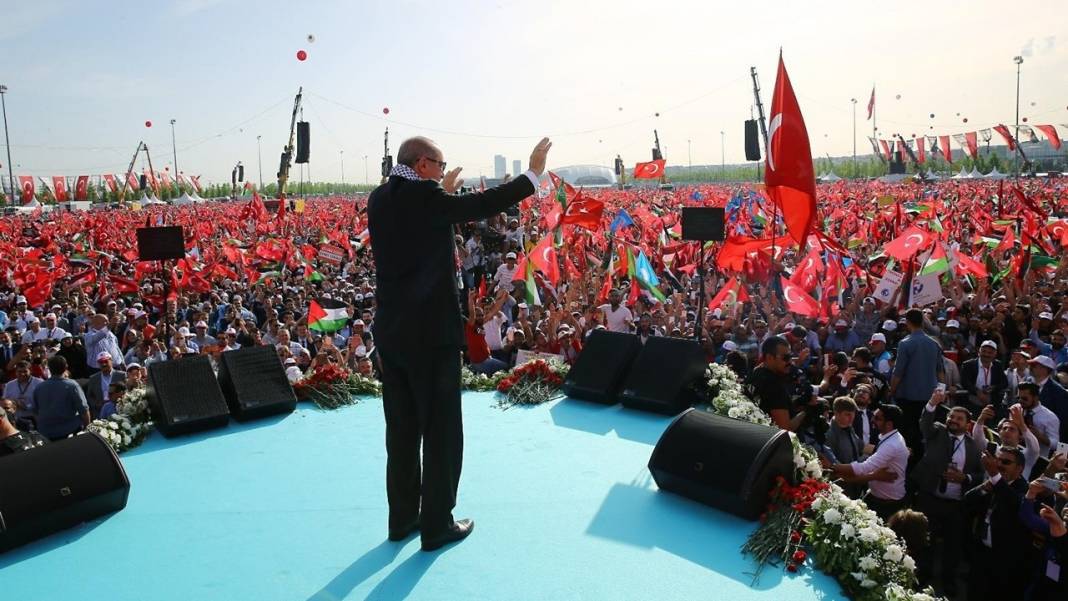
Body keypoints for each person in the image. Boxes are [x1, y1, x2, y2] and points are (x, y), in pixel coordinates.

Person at [367, 135, 551, 552]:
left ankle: (402, 520)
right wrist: (532, 174)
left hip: (391, 334)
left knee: (401, 431)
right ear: (423, 164)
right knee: (441, 430)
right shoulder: (427, 197)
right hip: (430, 336)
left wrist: (442, 193)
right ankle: (436, 524)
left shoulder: (379, 198)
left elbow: (417, 219)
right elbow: (481, 205)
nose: (443, 169)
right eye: (440, 163)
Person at [912, 388, 983, 596]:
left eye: (959, 418)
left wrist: (966, 479)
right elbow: (924, 423)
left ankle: (948, 583)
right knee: (926, 542)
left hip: (955, 504)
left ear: (967, 424)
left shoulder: (973, 447)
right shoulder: (937, 431)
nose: (953, 420)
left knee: (952, 547)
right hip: (930, 497)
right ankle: (922, 576)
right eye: (951, 416)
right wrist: (932, 403)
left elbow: (980, 475)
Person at [964, 446, 1035, 600]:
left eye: (1006, 462)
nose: (1000, 465)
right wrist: (984, 487)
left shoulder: (1025, 490)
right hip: (981, 553)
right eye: (997, 460)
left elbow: (1015, 503)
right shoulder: (994, 484)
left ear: (1020, 469)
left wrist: (995, 476)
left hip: (1005, 562)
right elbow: (966, 501)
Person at [829, 404, 909, 519]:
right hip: (876, 497)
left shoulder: (892, 444)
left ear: (889, 424)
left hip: (887, 504)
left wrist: (832, 466)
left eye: (877, 418)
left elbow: (863, 468)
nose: (872, 420)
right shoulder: (889, 437)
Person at [889, 308, 945, 455]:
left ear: (907, 322)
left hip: (908, 400)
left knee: (909, 437)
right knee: (926, 434)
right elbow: (940, 372)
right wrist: (941, 393)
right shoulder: (934, 344)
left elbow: (898, 372)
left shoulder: (905, 344)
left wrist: (891, 390)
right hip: (929, 399)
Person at [31, 355, 90, 441]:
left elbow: (35, 411)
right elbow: (84, 411)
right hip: (70, 432)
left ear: (49, 369)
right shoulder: (72, 385)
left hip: (46, 434)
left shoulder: (39, 387)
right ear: (66, 367)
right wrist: (87, 430)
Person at [959, 339, 1008, 414]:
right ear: (979, 352)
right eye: (984, 351)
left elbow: (1004, 383)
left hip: (991, 404)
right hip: (972, 403)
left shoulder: (998, 365)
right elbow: (964, 382)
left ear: (995, 354)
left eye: (990, 352)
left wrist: (993, 388)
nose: (986, 355)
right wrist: (977, 392)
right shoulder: (968, 364)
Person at [85, 352, 127, 419]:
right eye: (101, 362)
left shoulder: (121, 375)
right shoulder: (93, 378)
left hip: (119, 411)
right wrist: (95, 404)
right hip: (100, 413)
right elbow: (89, 395)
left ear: (111, 361)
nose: (103, 364)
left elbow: (127, 391)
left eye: (105, 361)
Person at [2, 360, 42, 428]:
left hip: (34, 420)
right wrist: (13, 404)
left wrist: (27, 406)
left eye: (25, 371)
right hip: (15, 420)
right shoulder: (9, 385)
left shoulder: (39, 383)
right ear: (15, 372)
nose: (22, 374)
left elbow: (43, 403)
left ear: (30, 371)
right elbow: (4, 401)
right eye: (19, 371)